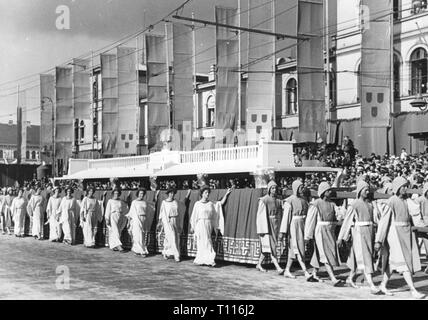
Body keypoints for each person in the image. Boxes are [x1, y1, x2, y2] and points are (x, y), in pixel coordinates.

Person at [374, 176, 425, 299]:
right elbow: (383, 222)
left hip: (406, 233)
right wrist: (379, 240)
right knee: (404, 263)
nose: (406, 189)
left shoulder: (406, 201)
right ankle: (413, 289)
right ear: (398, 188)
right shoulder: (392, 201)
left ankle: (382, 285)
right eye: (403, 187)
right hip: (395, 235)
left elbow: (416, 214)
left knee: (392, 264)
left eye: (406, 186)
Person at [337, 180, 380, 294]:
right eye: (365, 190)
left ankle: (350, 278)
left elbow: (376, 219)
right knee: (365, 257)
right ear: (360, 191)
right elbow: (347, 221)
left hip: (370, 232)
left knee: (357, 256)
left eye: (368, 190)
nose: (367, 192)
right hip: (360, 233)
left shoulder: (370, 204)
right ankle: (371, 284)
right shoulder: (354, 204)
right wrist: (341, 237)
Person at [304, 182, 343, 286]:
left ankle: (314, 274)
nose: (330, 192)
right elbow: (310, 220)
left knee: (319, 252)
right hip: (320, 231)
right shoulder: (316, 204)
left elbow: (338, 217)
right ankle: (333, 278)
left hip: (330, 231)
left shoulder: (332, 204)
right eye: (328, 190)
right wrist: (308, 235)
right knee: (324, 253)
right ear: (323, 192)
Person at [280, 180, 315, 281]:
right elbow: (286, 217)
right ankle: (305, 272)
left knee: (294, 250)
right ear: (295, 188)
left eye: (303, 187)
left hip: (302, 225)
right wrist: (283, 231)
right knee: (298, 248)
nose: (302, 189)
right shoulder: (289, 201)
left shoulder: (304, 200)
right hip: (294, 226)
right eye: (300, 187)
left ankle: (287, 270)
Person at [190, 186, 231, 267]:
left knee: (208, 240)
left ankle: (208, 259)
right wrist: (192, 226)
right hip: (200, 224)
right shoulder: (197, 204)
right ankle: (203, 259)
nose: (207, 194)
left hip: (208, 224)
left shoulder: (211, 203)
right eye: (205, 192)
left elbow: (219, 205)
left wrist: (226, 194)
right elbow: (194, 216)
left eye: (208, 192)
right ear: (202, 194)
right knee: (202, 242)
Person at [255, 181, 285, 274]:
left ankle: (259, 264)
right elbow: (260, 216)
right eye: (272, 188)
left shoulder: (278, 200)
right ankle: (278, 267)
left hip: (275, 225)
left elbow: (284, 207)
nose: (274, 190)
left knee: (268, 248)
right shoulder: (264, 200)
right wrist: (262, 229)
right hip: (268, 225)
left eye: (275, 188)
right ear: (269, 189)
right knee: (271, 247)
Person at [158, 188, 184, 262]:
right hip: (167, 221)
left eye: (173, 193)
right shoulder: (164, 202)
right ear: (168, 193)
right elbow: (161, 212)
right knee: (171, 236)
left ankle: (165, 252)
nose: (172, 194)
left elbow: (180, 209)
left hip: (175, 220)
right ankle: (176, 255)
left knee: (173, 237)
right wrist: (161, 221)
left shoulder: (176, 202)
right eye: (170, 193)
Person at [127, 188, 154, 257]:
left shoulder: (145, 202)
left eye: (143, 193)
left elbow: (149, 210)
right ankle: (142, 251)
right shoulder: (134, 202)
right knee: (137, 234)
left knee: (142, 235)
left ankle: (136, 249)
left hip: (144, 219)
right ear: (138, 194)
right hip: (136, 219)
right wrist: (129, 222)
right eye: (140, 193)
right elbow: (131, 212)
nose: (141, 195)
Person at [105, 188, 129, 252]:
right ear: (113, 194)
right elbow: (107, 210)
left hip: (120, 216)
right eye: (115, 193)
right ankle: (119, 246)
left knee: (118, 231)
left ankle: (113, 245)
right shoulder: (110, 201)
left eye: (118, 193)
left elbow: (124, 208)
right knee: (115, 230)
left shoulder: (121, 201)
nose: (116, 194)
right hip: (113, 216)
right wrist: (107, 218)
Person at [415, 182, 428, 273]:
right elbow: (416, 214)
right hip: (421, 225)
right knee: (417, 245)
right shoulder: (419, 200)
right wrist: (422, 224)